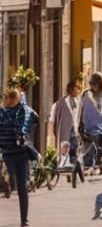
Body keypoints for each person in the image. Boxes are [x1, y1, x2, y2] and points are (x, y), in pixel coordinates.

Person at [0, 87, 36, 226]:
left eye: (15, 98)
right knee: (13, 177)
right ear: (8, 99)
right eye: (11, 98)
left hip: (21, 152)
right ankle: (8, 179)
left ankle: (24, 220)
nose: (13, 101)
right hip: (8, 151)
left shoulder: (24, 111)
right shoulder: (2, 113)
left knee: (22, 186)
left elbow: (31, 120)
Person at [81, 72, 102, 170]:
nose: (92, 86)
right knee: (90, 149)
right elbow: (83, 110)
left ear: (99, 84)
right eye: (91, 84)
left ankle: (100, 165)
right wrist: (83, 124)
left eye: (94, 84)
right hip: (90, 127)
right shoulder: (86, 95)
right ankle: (89, 165)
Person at [49, 79, 81, 165]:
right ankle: (68, 172)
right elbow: (53, 119)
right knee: (64, 154)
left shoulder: (79, 102)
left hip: (75, 132)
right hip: (64, 132)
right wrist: (54, 134)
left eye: (79, 88)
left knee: (74, 152)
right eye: (77, 88)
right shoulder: (59, 104)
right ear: (71, 89)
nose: (78, 90)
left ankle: (73, 171)